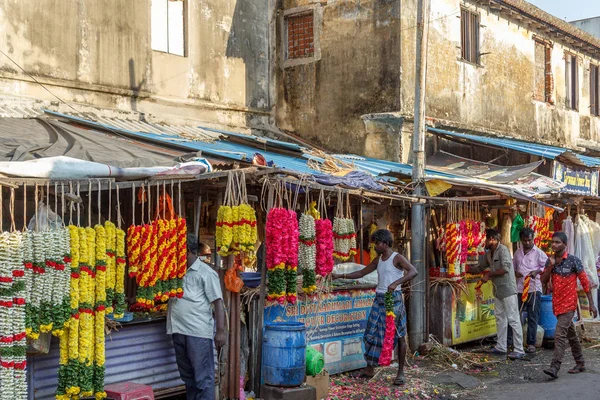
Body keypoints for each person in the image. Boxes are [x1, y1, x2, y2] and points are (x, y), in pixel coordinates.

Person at [331, 229, 417, 386]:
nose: (374, 246)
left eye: (376, 243)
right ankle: (370, 368)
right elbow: (362, 273)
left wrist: (396, 283)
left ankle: (401, 373)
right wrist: (340, 276)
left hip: (394, 300)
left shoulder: (397, 258)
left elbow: (413, 271)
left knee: (399, 336)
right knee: (369, 334)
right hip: (379, 299)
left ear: (384, 243)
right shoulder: (378, 260)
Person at [167, 233, 227, 399]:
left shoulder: (206, 273)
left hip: (197, 333)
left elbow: (218, 302)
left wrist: (220, 331)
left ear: (186, 251)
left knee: (203, 379)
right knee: (188, 378)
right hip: (178, 330)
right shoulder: (176, 270)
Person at [540, 231, 598, 379]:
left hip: (569, 304)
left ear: (565, 244)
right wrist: (551, 266)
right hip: (556, 304)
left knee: (559, 335)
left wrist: (592, 304)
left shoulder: (574, 261)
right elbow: (544, 280)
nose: (554, 244)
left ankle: (555, 367)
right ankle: (580, 363)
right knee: (571, 335)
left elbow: (585, 283)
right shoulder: (550, 260)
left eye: (557, 242)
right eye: (552, 242)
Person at [470, 229, 525, 359]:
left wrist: (488, 275)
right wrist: (466, 270)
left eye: (487, 239)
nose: (485, 241)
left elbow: (505, 269)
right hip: (497, 290)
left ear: (493, 239)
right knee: (500, 319)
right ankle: (501, 346)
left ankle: (519, 349)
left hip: (507, 289)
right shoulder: (489, 253)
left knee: (513, 319)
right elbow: (480, 267)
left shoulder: (503, 250)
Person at [507, 227, 547, 353]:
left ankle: (531, 343)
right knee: (514, 316)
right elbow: (512, 267)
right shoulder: (518, 253)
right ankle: (510, 341)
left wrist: (537, 271)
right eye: (525, 241)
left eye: (529, 240)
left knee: (532, 316)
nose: (528, 243)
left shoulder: (539, 253)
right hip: (519, 289)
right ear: (521, 240)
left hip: (533, 289)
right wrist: (515, 272)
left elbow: (547, 264)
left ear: (533, 239)